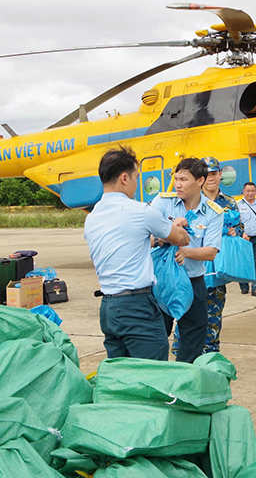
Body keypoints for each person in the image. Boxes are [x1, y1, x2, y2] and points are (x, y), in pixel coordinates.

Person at [84, 147, 190, 361]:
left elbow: (126, 242)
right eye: (136, 177)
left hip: (109, 307)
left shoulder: (92, 217)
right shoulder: (140, 211)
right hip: (136, 307)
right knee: (152, 371)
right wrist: (179, 227)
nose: (136, 184)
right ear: (124, 178)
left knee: (120, 372)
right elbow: (180, 238)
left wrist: (157, 239)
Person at [151, 157, 223, 363]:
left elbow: (211, 252)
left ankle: (183, 377)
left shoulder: (213, 212)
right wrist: (172, 231)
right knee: (155, 337)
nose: (178, 184)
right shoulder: (162, 202)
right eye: (176, 179)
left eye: (183, 179)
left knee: (193, 339)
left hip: (193, 282)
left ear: (200, 181)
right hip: (161, 282)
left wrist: (186, 253)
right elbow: (148, 236)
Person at [173, 156, 245, 355]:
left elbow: (240, 227)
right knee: (185, 318)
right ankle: (182, 354)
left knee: (213, 317)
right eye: (207, 174)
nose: (211, 178)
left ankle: (210, 354)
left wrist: (235, 231)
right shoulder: (188, 200)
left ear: (220, 174)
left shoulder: (229, 202)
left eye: (214, 173)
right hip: (192, 271)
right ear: (200, 179)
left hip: (217, 270)